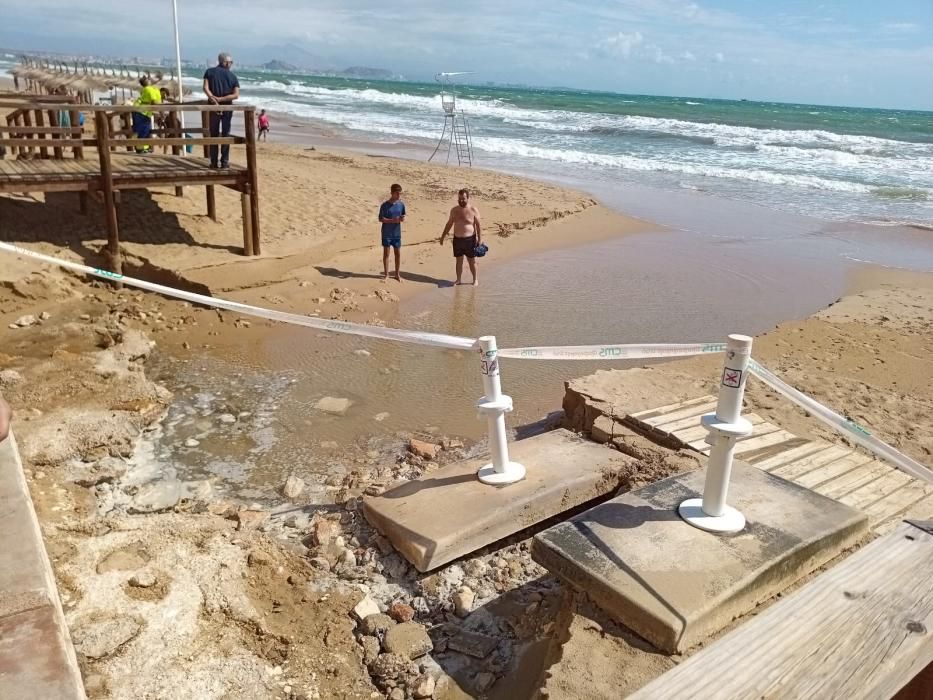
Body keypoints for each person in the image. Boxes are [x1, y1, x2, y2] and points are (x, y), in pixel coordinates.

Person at [202, 53, 240, 168]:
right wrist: (221, 99)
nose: (231, 64)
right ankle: (224, 162)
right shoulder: (233, 76)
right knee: (225, 134)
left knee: (213, 134)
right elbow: (236, 95)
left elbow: (205, 88)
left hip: (213, 107)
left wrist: (213, 99)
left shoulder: (209, 72)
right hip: (227, 108)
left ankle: (213, 162)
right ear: (225, 62)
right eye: (231, 62)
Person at [439, 188, 482, 286]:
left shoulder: (473, 210)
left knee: (471, 261)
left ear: (468, 198)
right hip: (457, 240)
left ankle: (475, 279)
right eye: (459, 199)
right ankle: (458, 280)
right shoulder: (454, 210)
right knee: (459, 261)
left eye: (463, 199)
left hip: (470, 240)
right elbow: (449, 224)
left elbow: (479, 226)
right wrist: (443, 236)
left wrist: (480, 240)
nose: (461, 201)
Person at [378, 183, 406, 282]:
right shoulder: (384, 205)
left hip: (397, 233)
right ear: (392, 193)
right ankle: (386, 275)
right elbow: (380, 219)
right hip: (386, 233)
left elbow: (402, 216)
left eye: (400, 194)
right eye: (397, 193)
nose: (399, 196)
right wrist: (392, 220)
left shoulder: (401, 204)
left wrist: (402, 219)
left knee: (398, 254)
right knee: (386, 254)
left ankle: (397, 274)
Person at [132, 76, 162, 153]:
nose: (150, 79)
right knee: (144, 131)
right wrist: (161, 112)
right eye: (148, 79)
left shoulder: (147, 89)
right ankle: (140, 148)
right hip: (143, 112)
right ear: (147, 82)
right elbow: (154, 102)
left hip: (142, 111)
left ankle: (143, 147)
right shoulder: (149, 89)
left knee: (144, 130)